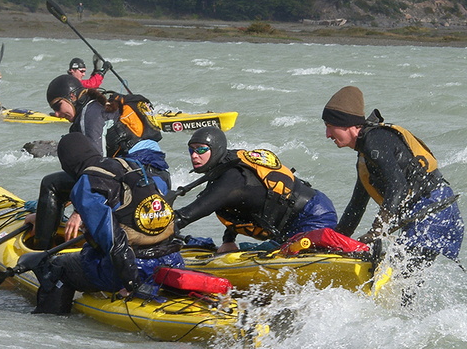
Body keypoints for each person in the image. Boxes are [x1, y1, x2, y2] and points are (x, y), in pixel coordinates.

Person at [322, 86, 464, 300]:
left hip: (434, 212)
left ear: (348, 125)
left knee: (399, 284)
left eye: (330, 127)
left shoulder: (375, 141)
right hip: (426, 214)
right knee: (401, 286)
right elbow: (356, 207)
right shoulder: (365, 156)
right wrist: (333, 244)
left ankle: (410, 318)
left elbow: (398, 186)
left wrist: (377, 229)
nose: (327, 135)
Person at [31, 132, 183, 314]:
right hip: (171, 260)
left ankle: (50, 322)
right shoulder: (131, 165)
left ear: (67, 163)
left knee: (57, 266)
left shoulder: (86, 183)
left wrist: (131, 283)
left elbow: (113, 241)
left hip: (136, 269)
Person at [29, 74, 169, 250]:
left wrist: (79, 212)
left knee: (51, 184)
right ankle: (46, 221)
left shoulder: (89, 115)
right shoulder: (101, 106)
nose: (57, 114)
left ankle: (40, 250)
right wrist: (47, 213)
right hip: (159, 179)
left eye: (58, 106)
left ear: (72, 96)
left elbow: (95, 170)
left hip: (135, 180)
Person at [174, 126, 338, 254]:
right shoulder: (225, 168)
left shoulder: (232, 178)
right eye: (191, 150)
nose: (194, 155)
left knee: (277, 257)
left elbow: (190, 213)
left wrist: (164, 227)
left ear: (216, 149)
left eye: (201, 149)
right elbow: (236, 206)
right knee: (260, 251)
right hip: (290, 225)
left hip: (314, 214)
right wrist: (228, 241)